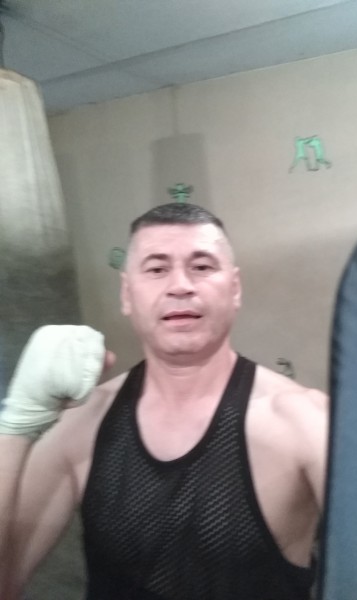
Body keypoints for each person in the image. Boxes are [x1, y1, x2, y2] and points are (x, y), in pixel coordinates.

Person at [0, 202, 328, 600]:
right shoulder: (84, 425)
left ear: (235, 288)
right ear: (127, 294)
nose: (180, 285)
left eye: (202, 266)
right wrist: (15, 425)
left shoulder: (303, 421)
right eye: (157, 269)